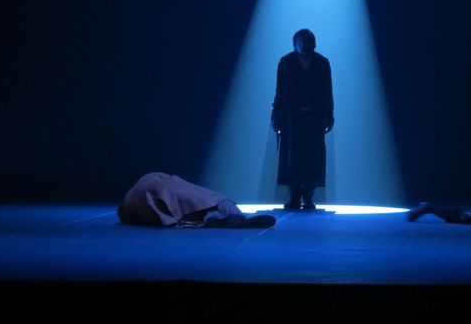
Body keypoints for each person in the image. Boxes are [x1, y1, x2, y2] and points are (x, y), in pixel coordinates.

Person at [271, 28, 334, 211]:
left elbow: (327, 92)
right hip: (292, 118)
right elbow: (280, 91)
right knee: (292, 158)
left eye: (307, 43)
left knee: (312, 157)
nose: (303, 46)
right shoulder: (286, 62)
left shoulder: (322, 63)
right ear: (295, 44)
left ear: (313, 45)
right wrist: (276, 115)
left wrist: (329, 115)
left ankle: (308, 197)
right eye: (300, 43)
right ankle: (294, 197)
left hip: (314, 118)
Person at [117, 172, 276, 228]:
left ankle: (212, 218)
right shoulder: (134, 194)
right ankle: (232, 215)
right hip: (159, 189)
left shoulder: (132, 204)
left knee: (188, 211)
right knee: (209, 199)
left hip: (155, 197)